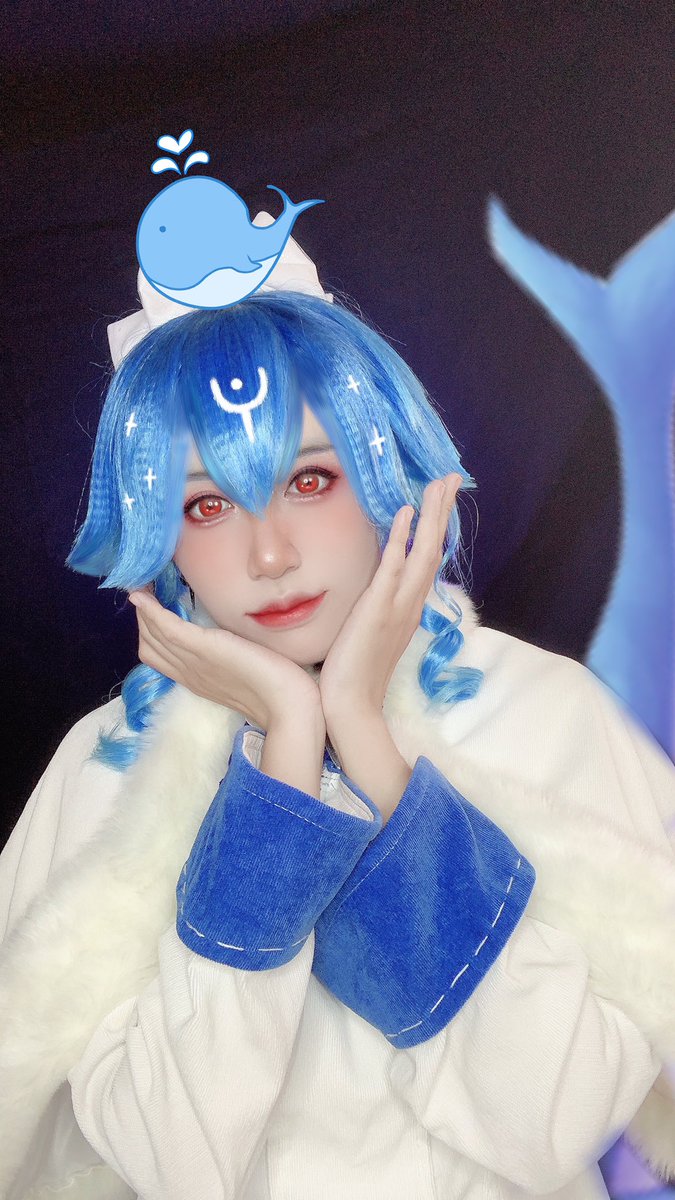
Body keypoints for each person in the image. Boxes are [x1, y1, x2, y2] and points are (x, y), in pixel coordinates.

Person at [0, 236, 674, 1200]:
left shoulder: (543, 714)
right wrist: (285, 758)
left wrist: (362, 732)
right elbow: (174, 1165)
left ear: (383, 471)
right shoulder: (103, 774)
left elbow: (548, 1125)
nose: (269, 554)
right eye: (206, 505)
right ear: (158, 538)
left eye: (308, 480)